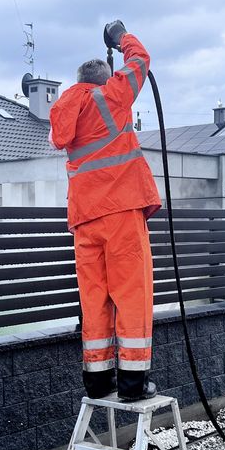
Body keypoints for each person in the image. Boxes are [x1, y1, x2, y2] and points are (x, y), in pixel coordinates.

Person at [48, 20, 162, 402]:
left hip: (84, 220)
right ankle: (133, 384)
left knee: (94, 299)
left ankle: (98, 381)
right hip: (120, 210)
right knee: (132, 294)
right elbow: (141, 59)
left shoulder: (66, 109)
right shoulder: (110, 96)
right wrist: (121, 36)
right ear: (104, 79)